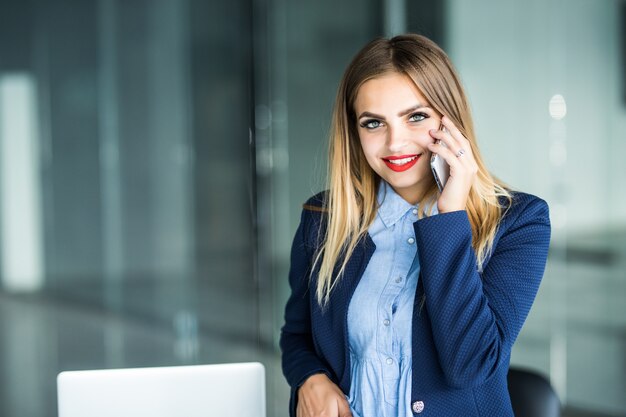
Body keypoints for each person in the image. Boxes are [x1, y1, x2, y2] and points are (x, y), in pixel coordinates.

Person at [279, 34, 551, 417]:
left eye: (416, 116)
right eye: (374, 123)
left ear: (450, 119)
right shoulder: (324, 217)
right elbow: (296, 335)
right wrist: (310, 377)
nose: (395, 143)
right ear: (355, 133)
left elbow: (469, 365)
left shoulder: (519, 222)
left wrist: (450, 216)